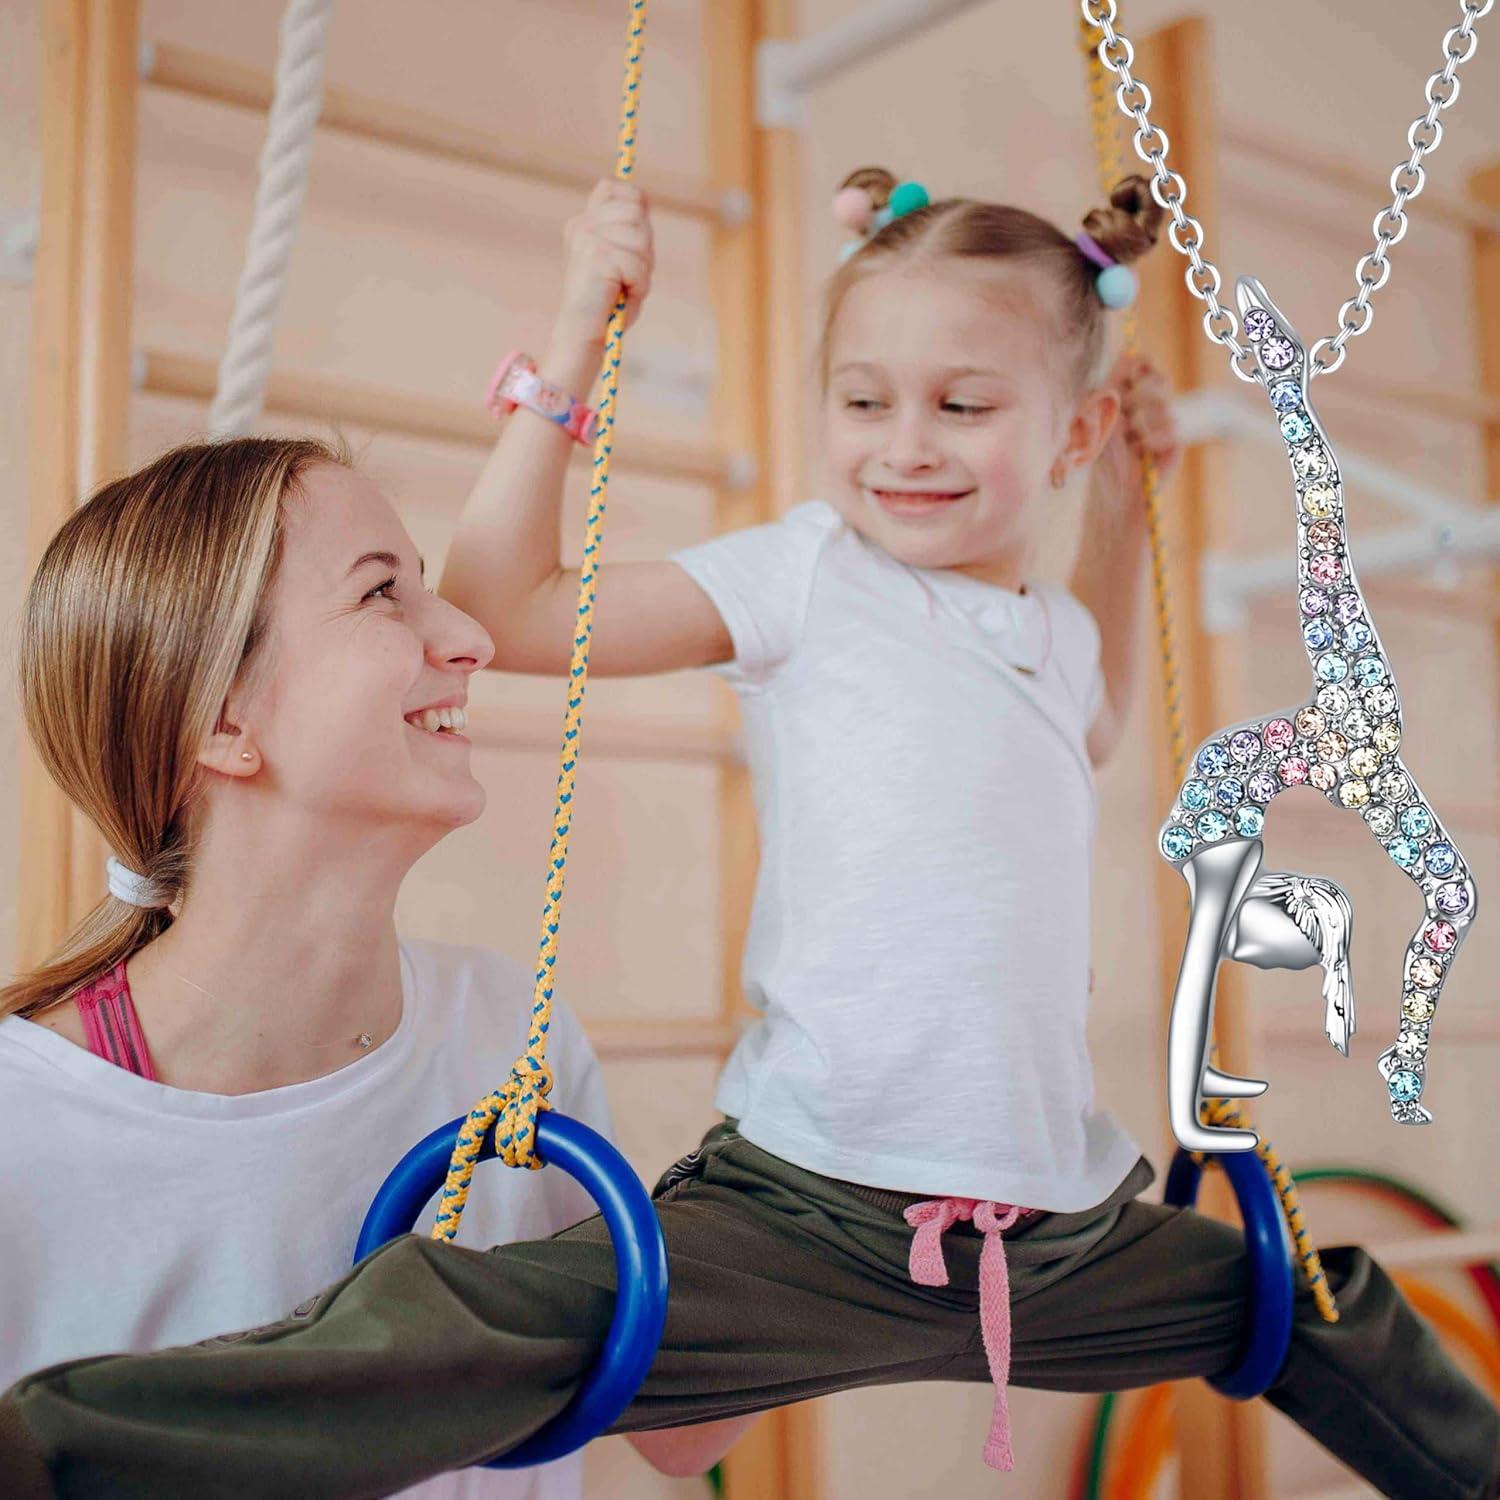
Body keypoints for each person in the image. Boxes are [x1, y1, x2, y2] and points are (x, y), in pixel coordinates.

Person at [2, 175, 1497, 1500]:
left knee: (1320, 1302)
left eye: (963, 407)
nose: (906, 445)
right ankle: (56, 1453)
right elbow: (516, 609)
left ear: (1074, 423)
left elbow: (1097, 709)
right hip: (812, 1207)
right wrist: (584, 331)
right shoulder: (810, 576)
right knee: (489, 1315)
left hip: (1061, 1223)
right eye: (864, 401)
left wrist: (1118, 503)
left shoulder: (1044, 637)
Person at [0, 437, 743, 1497]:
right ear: (220, 719)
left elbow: (675, 1430)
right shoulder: (23, 1136)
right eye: (383, 594)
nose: (473, 637)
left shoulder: (509, 1034)